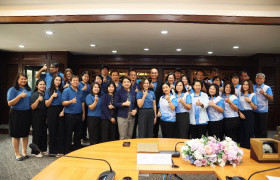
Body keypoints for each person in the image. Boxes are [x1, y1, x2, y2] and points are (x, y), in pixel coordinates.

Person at [7, 73, 32, 161]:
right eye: (22, 79)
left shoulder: (29, 89)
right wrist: (19, 96)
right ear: (17, 80)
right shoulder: (12, 90)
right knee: (16, 134)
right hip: (16, 113)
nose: (24, 80)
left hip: (27, 113)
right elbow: (10, 103)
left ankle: (24, 151)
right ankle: (17, 153)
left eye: (25, 79)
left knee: (25, 134)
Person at [62, 75, 85, 153]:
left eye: (77, 80)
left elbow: (82, 103)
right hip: (69, 115)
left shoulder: (80, 91)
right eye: (74, 80)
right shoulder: (66, 90)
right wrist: (71, 101)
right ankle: (67, 151)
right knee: (68, 134)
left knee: (78, 135)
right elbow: (63, 103)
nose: (75, 82)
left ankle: (76, 150)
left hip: (79, 115)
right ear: (70, 81)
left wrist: (83, 114)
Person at [45, 75, 65, 155]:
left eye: (59, 80)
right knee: (52, 131)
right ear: (53, 81)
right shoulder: (49, 90)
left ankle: (60, 150)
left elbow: (65, 103)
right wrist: (52, 97)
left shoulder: (63, 90)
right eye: (56, 80)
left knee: (61, 131)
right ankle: (52, 151)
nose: (58, 81)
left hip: (61, 110)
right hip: (51, 110)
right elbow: (47, 104)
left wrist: (63, 111)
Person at [30, 79, 47, 157]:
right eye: (40, 84)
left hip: (44, 115)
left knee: (43, 133)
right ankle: (36, 151)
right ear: (37, 86)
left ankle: (43, 149)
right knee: (37, 133)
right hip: (36, 116)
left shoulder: (45, 93)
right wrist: (37, 100)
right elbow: (32, 107)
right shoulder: (35, 94)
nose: (42, 86)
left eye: (43, 84)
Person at [238, 79, 257, 149]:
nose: (245, 86)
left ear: (250, 86)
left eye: (247, 85)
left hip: (249, 114)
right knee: (241, 132)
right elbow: (238, 106)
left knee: (248, 132)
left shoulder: (252, 95)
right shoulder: (240, 94)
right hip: (241, 114)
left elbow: (255, 107)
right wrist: (240, 113)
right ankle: (242, 149)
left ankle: (249, 149)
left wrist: (249, 101)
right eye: (244, 84)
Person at [253, 73, 273, 138]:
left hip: (263, 112)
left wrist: (264, 93)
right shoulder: (252, 87)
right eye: (257, 78)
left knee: (262, 131)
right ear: (255, 79)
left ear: (264, 80)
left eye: (261, 78)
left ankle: (263, 146)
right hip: (253, 111)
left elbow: (271, 99)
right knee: (254, 130)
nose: (259, 80)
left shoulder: (267, 88)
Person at [149, 68, 163, 138]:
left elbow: (162, 95)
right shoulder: (147, 82)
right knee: (148, 123)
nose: (154, 74)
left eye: (155, 73)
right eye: (152, 73)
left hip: (157, 106)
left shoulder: (161, 83)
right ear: (150, 74)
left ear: (157, 74)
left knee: (156, 123)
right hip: (148, 106)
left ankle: (155, 137)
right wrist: (149, 86)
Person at [78, 71, 91, 143]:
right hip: (80, 105)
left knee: (86, 121)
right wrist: (82, 89)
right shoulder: (79, 84)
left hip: (87, 105)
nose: (86, 78)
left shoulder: (89, 85)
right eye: (85, 76)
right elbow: (77, 94)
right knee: (81, 121)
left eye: (87, 77)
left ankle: (84, 136)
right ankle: (79, 137)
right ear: (82, 77)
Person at [129, 69, 140, 138]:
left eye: (134, 75)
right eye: (131, 75)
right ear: (129, 76)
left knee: (134, 127)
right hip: (127, 109)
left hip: (136, 108)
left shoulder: (138, 86)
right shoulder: (126, 84)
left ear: (136, 76)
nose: (133, 76)